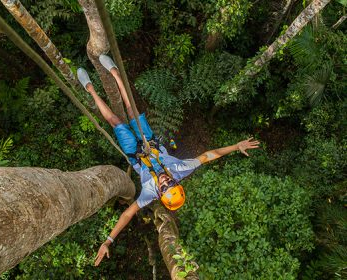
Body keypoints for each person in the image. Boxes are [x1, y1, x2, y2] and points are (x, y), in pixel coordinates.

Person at [77, 55, 260, 266]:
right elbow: (210, 155)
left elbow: (127, 214)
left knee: (114, 121)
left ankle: (89, 88)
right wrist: (236, 146)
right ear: (177, 182)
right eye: (170, 182)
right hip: (150, 143)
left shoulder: (149, 193)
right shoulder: (182, 169)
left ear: (160, 193)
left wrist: (108, 240)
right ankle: (116, 74)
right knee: (131, 110)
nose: (165, 180)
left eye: (164, 186)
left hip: (135, 153)